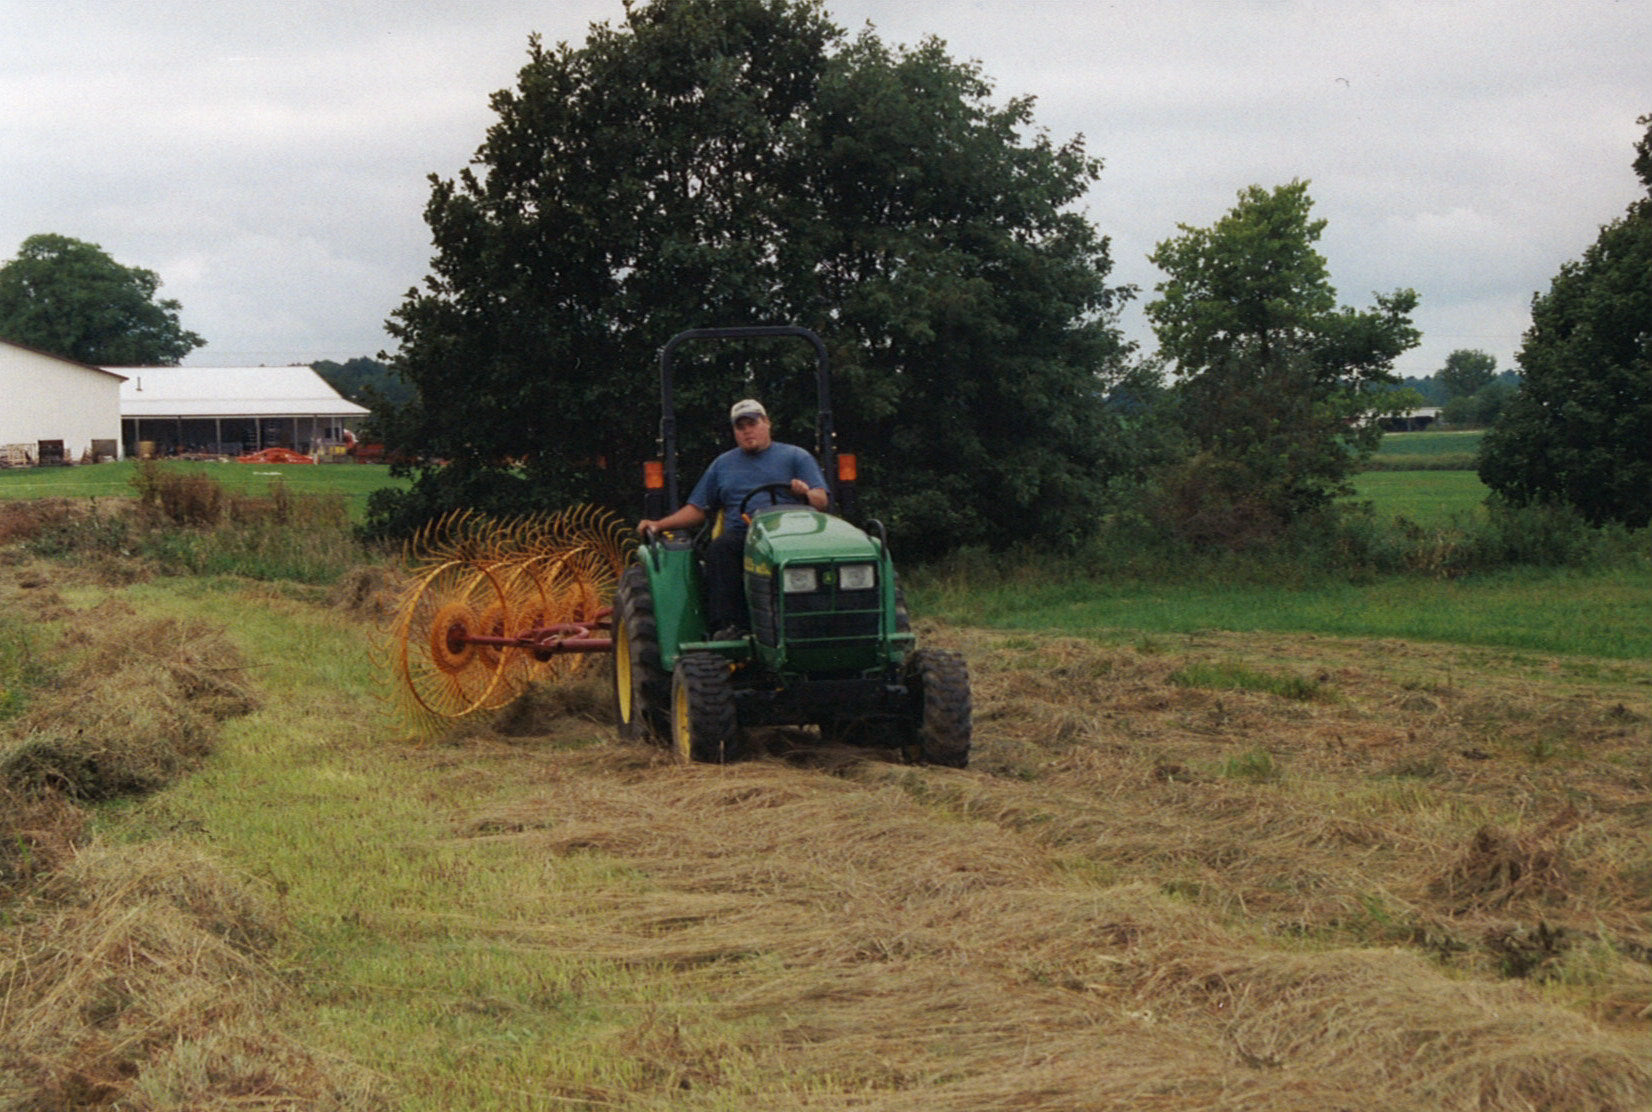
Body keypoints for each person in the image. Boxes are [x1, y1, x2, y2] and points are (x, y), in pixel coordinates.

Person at [638, 398, 829, 637]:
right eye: (741, 426)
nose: (747, 430)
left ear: (767, 423)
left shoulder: (795, 457)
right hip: (745, 535)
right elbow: (697, 509)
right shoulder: (723, 465)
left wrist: (805, 493)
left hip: (791, 533)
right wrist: (659, 524)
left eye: (752, 423)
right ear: (735, 432)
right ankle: (729, 626)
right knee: (720, 549)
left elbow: (822, 501)